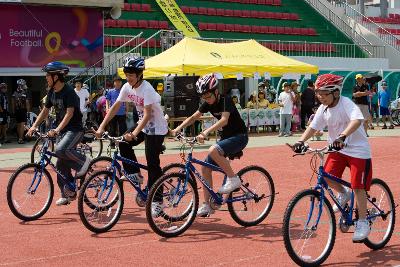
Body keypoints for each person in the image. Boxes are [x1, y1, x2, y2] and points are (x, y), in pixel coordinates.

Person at [292, 73, 372, 242]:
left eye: (324, 93)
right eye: (318, 93)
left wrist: (342, 137)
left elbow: (357, 120)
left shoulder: (346, 103)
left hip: (357, 150)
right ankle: (344, 194)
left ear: (336, 92)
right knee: (328, 177)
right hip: (337, 150)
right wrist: (300, 141)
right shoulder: (323, 108)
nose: (320, 97)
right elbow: (313, 127)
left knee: (358, 186)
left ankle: (363, 222)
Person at [95, 56, 168, 217]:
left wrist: (134, 133)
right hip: (143, 124)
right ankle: (134, 174)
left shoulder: (147, 89)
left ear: (140, 74)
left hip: (156, 128)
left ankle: (158, 202)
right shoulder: (127, 87)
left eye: (131, 75)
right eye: (126, 74)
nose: (128, 78)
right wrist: (101, 127)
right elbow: (114, 107)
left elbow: (148, 114)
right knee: (123, 141)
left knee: (152, 163)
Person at [171, 73, 248, 217]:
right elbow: (194, 117)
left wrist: (205, 132)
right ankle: (207, 205)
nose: (206, 100)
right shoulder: (207, 102)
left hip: (239, 137)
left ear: (216, 91)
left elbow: (224, 120)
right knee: (205, 167)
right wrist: (177, 129)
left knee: (213, 149)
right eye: (203, 97)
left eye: (208, 96)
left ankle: (233, 179)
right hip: (226, 138)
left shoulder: (225, 99)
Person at [27, 61, 90, 206]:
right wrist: (34, 126)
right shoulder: (51, 92)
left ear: (56, 76)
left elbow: (69, 114)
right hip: (62, 130)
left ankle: (83, 161)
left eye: (48, 75)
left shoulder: (69, 92)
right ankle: (68, 193)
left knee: (61, 150)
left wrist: (56, 130)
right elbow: (45, 111)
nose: (46, 78)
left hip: (75, 129)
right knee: (60, 162)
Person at [105, 75, 127, 141]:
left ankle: (122, 142)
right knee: (112, 128)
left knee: (122, 128)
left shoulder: (124, 91)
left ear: (121, 83)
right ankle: (112, 143)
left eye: (119, 82)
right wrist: (107, 108)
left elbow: (126, 101)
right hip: (112, 113)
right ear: (114, 83)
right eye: (116, 82)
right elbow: (107, 100)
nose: (117, 83)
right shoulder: (110, 91)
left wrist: (127, 109)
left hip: (122, 112)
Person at [11, 79, 31, 144]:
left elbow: (12, 103)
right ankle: (20, 139)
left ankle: (19, 137)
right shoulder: (25, 92)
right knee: (22, 125)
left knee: (18, 124)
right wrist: (28, 112)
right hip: (23, 110)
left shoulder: (14, 92)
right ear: (23, 85)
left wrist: (13, 111)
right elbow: (27, 103)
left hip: (17, 111)